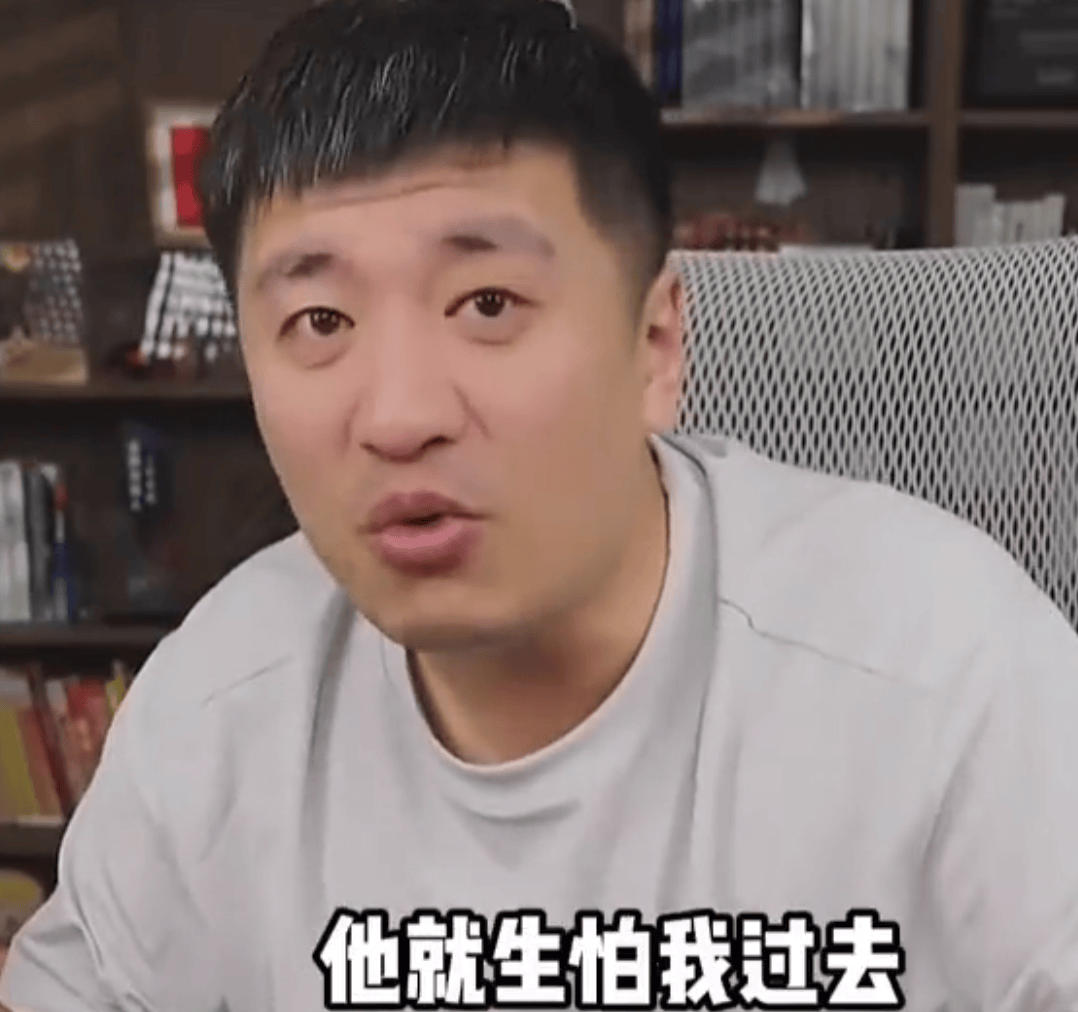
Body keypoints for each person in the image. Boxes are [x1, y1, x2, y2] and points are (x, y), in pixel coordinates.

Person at [4, 0, 1078, 1009]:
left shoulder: (949, 682)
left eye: (487, 302)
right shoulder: (214, 714)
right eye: (321, 321)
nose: (399, 415)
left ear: (655, 345)